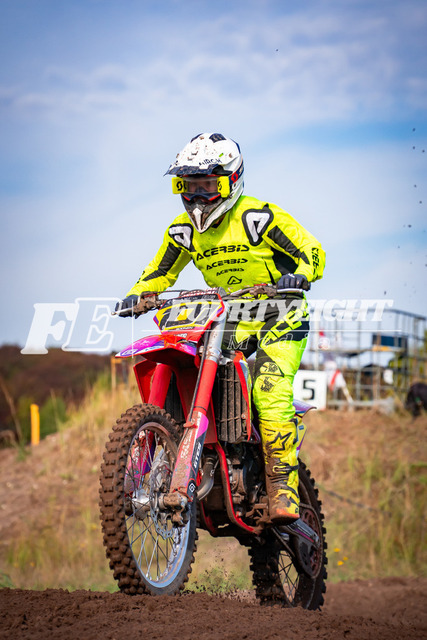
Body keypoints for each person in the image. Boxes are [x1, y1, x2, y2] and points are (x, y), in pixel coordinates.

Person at [116, 133, 325, 524]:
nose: (197, 197)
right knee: (188, 362)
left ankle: (283, 488)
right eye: (188, 186)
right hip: (231, 317)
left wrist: (299, 275)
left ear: (231, 181)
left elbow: (312, 251)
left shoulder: (258, 217)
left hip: (280, 317)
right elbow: (160, 272)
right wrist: (138, 295)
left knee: (269, 390)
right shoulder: (183, 230)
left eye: (207, 186)